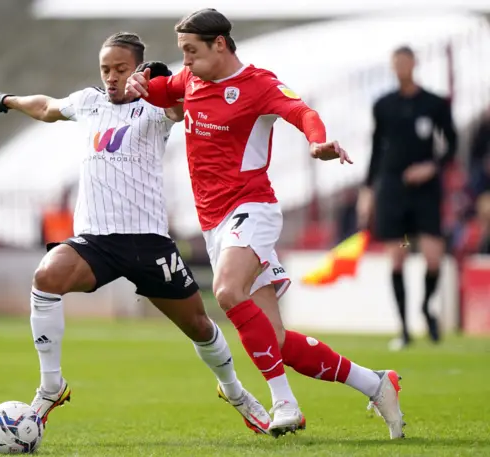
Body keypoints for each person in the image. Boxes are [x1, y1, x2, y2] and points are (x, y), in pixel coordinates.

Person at [126, 8, 405, 439]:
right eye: (181, 52)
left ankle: (284, 403)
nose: (185, 61)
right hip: (215, 224)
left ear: (220, 43)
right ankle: (375, 383)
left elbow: (302, 112)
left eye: (191, 51)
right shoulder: (192, 80)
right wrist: (139, 83)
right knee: (273, 340)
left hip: (252, 208)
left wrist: (318, 143)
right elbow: (162, 90)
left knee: (225, 291)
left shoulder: (258, 84)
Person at [0, 32, 275, 437]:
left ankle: (236, 392)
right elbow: (48, 107)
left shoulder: (153, 108)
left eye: (120, 69)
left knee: (200, 326)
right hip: (95, 242)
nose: (111, 77)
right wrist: (9, 100)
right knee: (46, 277)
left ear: (135, 68)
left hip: (149, 244)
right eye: (106, 69)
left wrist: (162, 84)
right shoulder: (89, 103)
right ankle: (51, 386)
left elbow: (180, 108)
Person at [357, 45, 458, 351]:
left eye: (405, 62)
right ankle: (403, 329)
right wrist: (368, 190)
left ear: (414, 64)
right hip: (393, 192)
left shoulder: (435, 103)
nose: (401, 67)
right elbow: (376, 149)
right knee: (398, 256)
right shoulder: (383, 105)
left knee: (432, 257)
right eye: (396, 63)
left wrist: (432, 166)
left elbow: (452, 144)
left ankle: (427, 307)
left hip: (425, 193)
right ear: (392, 66)